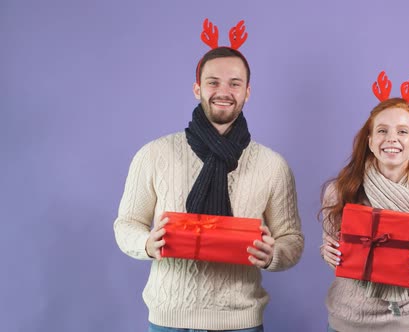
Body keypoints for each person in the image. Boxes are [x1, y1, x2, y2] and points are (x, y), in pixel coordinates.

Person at [114, 19, 304, 332]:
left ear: (247, 92)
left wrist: (274, 254)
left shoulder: (272, 165)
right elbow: (126, 224)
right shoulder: (154, 154)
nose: (223, 92)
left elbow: (292, 240)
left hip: (240, 321)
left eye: (234, 83)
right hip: (169, 320)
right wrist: (146, 244)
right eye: (213, 82)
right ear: (197, 88)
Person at [320, 72, 409, 332]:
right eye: (382, 130)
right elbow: (332, 251)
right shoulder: (340, 193)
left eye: (402, 131)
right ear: (370, 142)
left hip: (401, 324)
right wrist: (327, 253)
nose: (392, 138)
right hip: (344, 323)